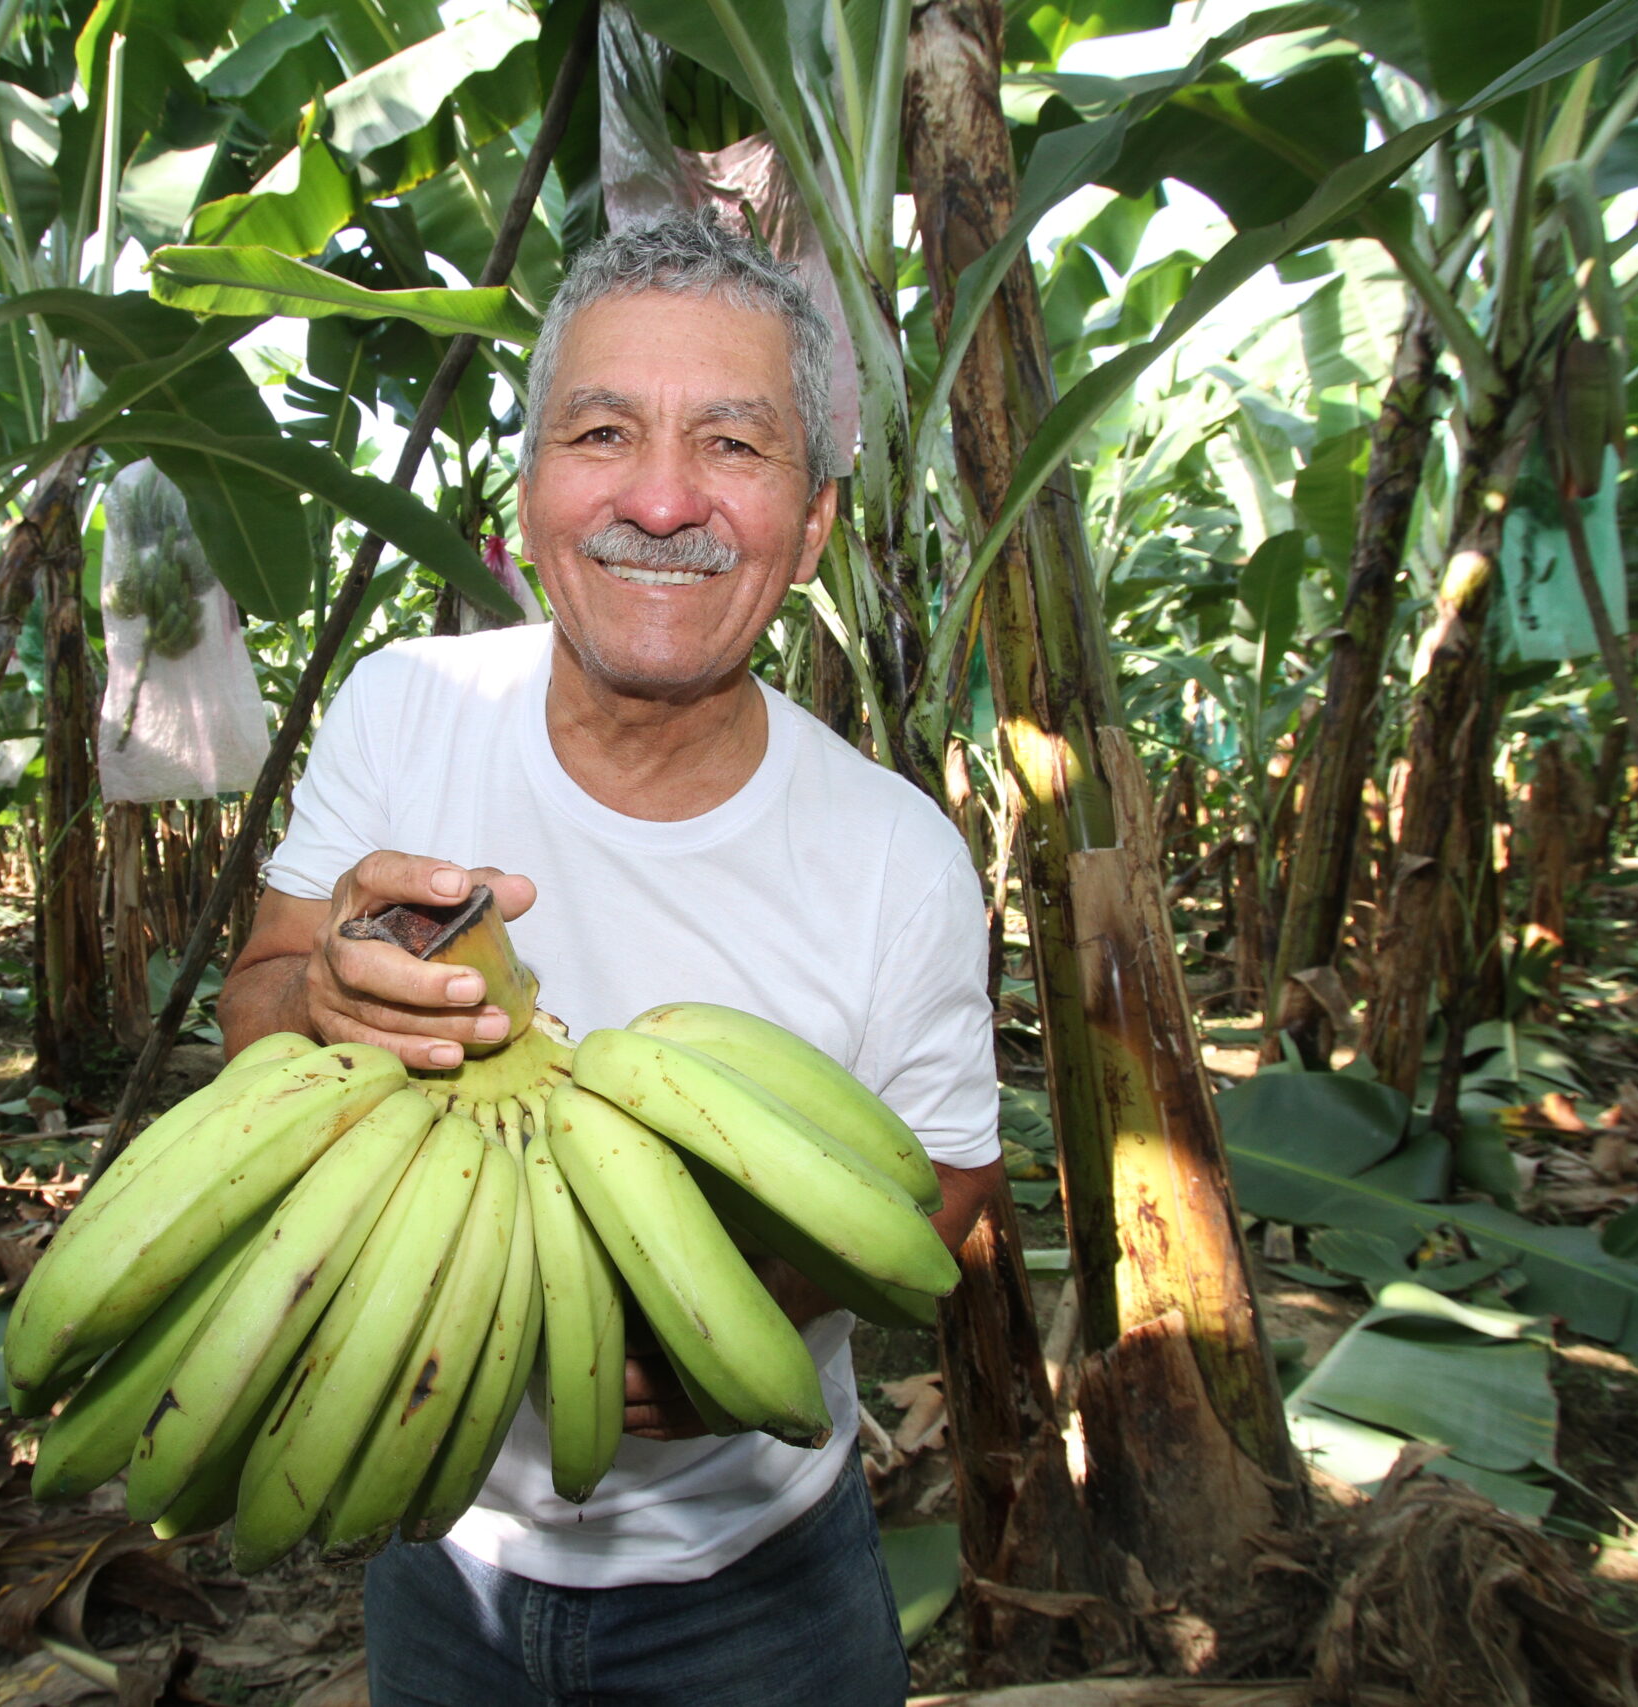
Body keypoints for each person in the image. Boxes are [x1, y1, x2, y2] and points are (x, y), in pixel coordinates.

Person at [215, 211, 1003, 1707]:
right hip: (440, 1546)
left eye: (733, 444)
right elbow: (256, 989)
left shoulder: (897, 853)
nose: (661, 499)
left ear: (817, 519)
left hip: (763, 1590)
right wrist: (317, 1004)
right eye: (601, 432)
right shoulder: (405, 712)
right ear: (527, 495)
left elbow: (945, 1186)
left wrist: (737, 1310)